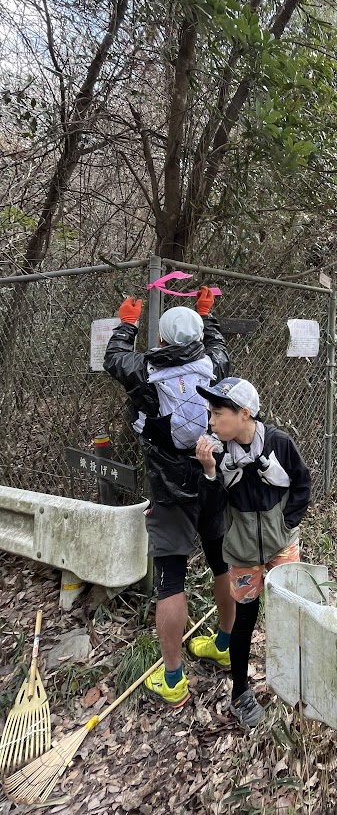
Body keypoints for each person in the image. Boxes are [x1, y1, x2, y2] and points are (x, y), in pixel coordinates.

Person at [103, 289, 234, 708]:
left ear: (160, 338)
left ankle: (174, 678)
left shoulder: (144, 371)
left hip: (169, 488)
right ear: (197, 337)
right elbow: (218, 343)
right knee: (221, 563)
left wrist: (127, 323)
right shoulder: (213, 363)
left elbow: (113, 358)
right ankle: (225, 644)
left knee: (172, 578)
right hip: (211, 476)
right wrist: (206, 314)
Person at [194, 378, 311, 728]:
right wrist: (209, 472)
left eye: (218, 413)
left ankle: (294, 676)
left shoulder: (278, 443)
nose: (211, 421)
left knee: (292, 609)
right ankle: (240, 693)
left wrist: (286, 523)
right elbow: (211, 510)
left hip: (282, 544)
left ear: (244, 414)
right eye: (211, 413)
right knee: (244, 619)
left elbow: (302, 482)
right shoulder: (217, 452)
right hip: (242, 552)